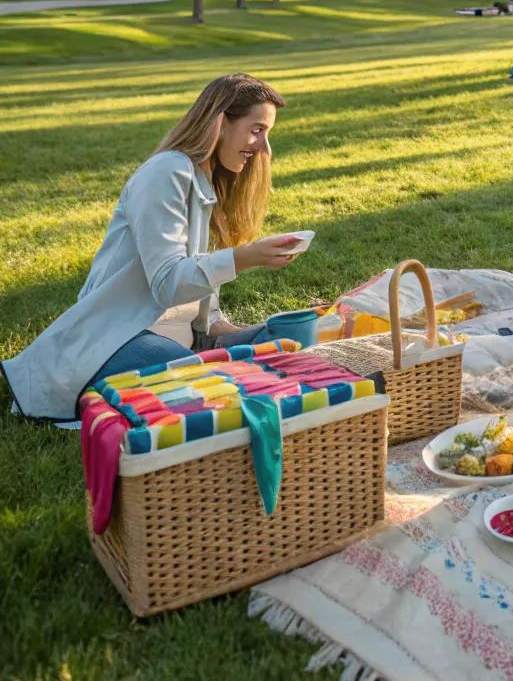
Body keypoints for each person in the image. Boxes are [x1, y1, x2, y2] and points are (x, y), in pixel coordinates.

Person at [2, 73, 304, 422]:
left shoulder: (206, 181)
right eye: (257, 130)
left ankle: (217, 356)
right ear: (221, 123)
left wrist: (224, 329)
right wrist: (245, 257)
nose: (265, 148)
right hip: (117, 339)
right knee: (217, 385)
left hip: (183, 340)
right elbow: (168, 281)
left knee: (286, 338)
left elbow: (197, 286)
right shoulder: (166, 173)